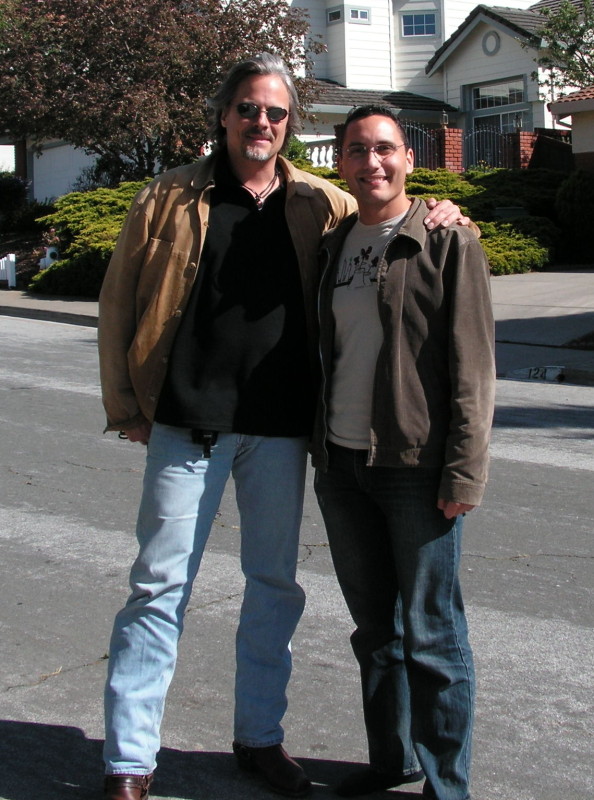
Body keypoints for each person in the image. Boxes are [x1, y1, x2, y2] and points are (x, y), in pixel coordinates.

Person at [98, 53, 469, 800]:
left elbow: (388, 211)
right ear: (224, 115)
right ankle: (129, 761)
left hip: (279, 431)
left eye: (275, 111)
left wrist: (449, 211)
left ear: (290, 123)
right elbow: (119, 303)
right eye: (248, 108)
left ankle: (260, 738)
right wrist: (127, 407)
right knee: (158, 588)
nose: (260, 122)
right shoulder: (167, 197)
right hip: (186, 425)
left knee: (273, 587)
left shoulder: (317, 202)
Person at [311, 104, 495, 800]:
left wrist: (464, 471)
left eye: (385, 148)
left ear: (410, 160)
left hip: (415, 468)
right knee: (374, 632)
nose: (373, 163)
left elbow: (473, 367)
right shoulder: (332, 245)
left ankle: (447, 787)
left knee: (432, 635)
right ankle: (392, 762)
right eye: (357, 150)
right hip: (341, 464)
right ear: (341, 163)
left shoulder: (447, 241)